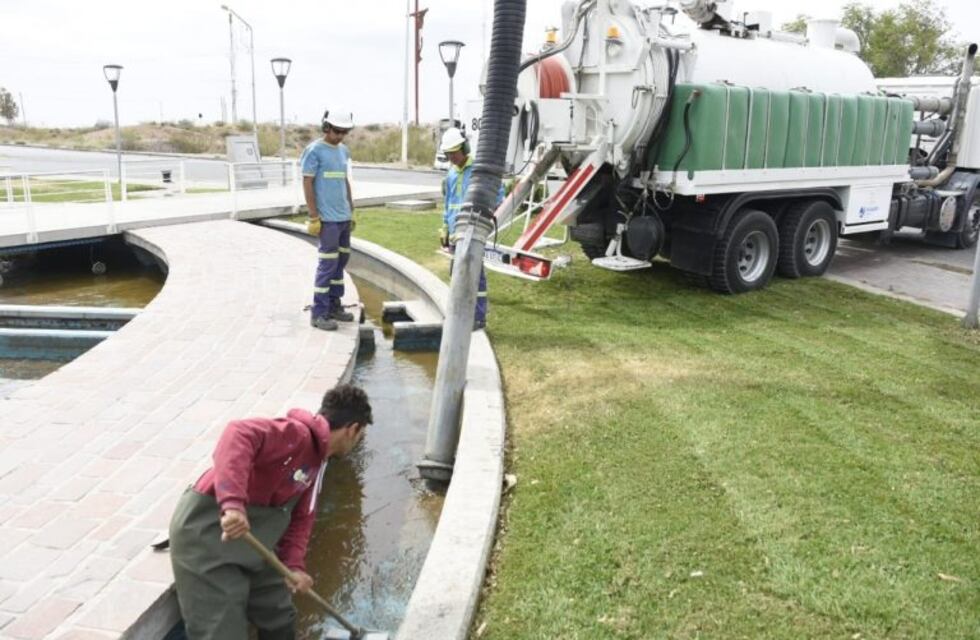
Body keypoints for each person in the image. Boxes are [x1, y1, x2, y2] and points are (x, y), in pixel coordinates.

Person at [168, 384, 373, 640]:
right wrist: (232, 504)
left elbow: (302, 518)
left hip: (255, 542)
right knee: (221, 630)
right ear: (353, 429)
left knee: (278, 615)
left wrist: (294, 565)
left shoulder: (319, 462)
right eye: (361, 435)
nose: (358, 441)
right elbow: (237, 433)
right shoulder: (295, 435)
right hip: (209, 536)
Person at [439, 127, 503, 330]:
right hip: (455, 231)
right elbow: (448, 202)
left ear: (464, 148)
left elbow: (498, 194)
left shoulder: (478, 169)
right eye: (448, 155)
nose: (451, 158)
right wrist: (445, 227)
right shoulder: (450, 174)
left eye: (454, 154)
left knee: (475, 274)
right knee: (456, 273)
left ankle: (478, 317)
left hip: (473, 229)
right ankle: (458, 313)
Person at [301, 109, 356, 331]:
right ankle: (319, 312)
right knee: (327, 265)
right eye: (336, 131)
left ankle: (334, 304)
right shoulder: (314, 151)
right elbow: (307, 183)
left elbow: (345, 180)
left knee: (341, 262)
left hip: (343, 218)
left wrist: (351, 211)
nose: (340, 136)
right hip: (327, 220)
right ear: (326, 127)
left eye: (344, 132)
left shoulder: (343, 151)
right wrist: (314, 216)